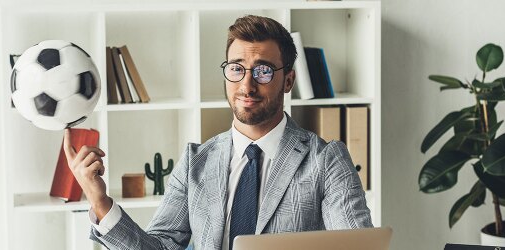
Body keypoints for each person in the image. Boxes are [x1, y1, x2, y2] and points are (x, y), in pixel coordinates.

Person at [63, 15, 372, 250]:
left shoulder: (326, 160)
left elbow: (355, 245)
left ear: (288, 80)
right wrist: (99, 200)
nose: (247, 86)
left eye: (263, 71)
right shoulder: (196, 161)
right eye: (237, 68)